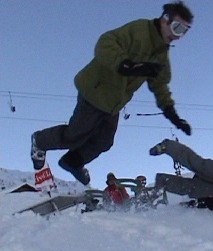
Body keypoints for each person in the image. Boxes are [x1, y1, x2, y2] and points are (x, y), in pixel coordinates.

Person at [30, 1, 194, 185]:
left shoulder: (161, 55)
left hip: (114, 103)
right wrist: (124, 64)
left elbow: (160, 85)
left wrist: (172, 113)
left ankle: (73, 161)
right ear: (165, 20)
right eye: (177, 27)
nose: (178, 36)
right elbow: (105, 42)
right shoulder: (140, 30)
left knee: (104, 142)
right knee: (75, 135)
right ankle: (40, 141)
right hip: (96, 91)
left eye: (184, 31)